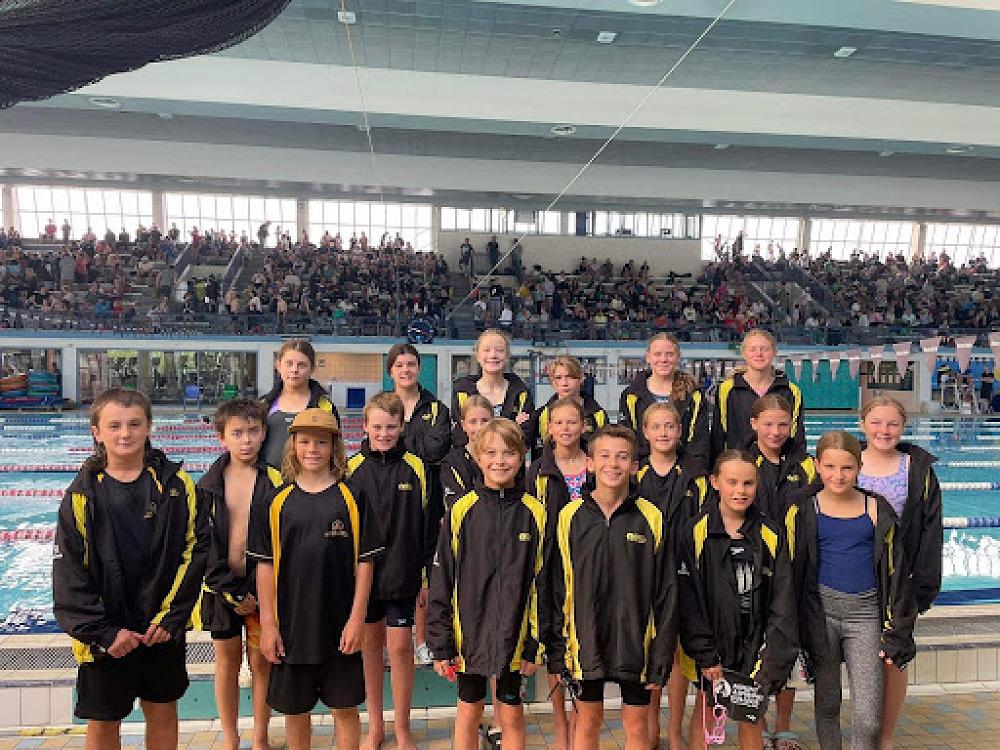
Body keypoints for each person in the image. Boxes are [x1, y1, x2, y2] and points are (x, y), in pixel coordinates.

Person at [52, 389, 208, 750]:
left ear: (149, 427)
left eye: (135, 424)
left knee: (163, 713)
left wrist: (170, 619)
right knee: (104, 722)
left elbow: (196, 550)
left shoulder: (176, 485)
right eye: (115, 425)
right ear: (96, 432)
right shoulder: (81, 496)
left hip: (161, 628)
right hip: (105, 634)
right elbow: (69, 575)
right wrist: (103, 633)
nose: (125, 433)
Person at [248, 409, 380, 750]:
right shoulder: (276, 502)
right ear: (292, 445)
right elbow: (264, 566)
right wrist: (268, 624)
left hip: (340, 627)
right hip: (292, 628)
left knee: (345, 709)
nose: (312, 449)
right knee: (296, 712)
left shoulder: (352, 497)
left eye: (321, 442)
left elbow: (366, 563)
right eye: (304, 441)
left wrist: (357, 620)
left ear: (334, 447)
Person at [548, 425, 675, 750]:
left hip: (636, 643)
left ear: (634, 465)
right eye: (604, 456)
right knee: (587, 721)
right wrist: (558, 649)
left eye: (622, 457)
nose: (613, 464)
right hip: (585, 641)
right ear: (589, 463)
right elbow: (557, 587)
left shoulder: (652, 517)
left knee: (637, 725)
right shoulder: (569, 517)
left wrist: (661, 652)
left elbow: (666, 591)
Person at [787, 432, 916, 750]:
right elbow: (789, 570)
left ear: (859, 467)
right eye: (830, 467)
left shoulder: (877, 509)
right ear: (817, 466)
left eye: (846, 467)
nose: (838, 475)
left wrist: (898, 627)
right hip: (821, 615)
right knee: (828, 704)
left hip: (865, 615)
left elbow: (897, 573)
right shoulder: (804, 509)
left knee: (869, 717)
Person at [427, 418, 546, 750]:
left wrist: (535, 643)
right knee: (469, 710)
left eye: (508, 453)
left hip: (515, 635)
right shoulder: (461, 511)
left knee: (511, 715)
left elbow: (543, 584)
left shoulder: (535, 513)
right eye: (491, 453)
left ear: (521, 457)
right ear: (478, 457)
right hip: (470, 635)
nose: (499, 461)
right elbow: (442, 579)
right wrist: (441, 643)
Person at [677, 450, 798, 750]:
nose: (740, 491)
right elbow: (688, 600)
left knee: (750, 715)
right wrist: (706, 654)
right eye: (732, 482)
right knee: (707, 709)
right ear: (715, 482)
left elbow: (782, 600)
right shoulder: (695, 531)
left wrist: (770, 655)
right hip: (712, 642)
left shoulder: (771, 532)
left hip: (755, 643)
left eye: (748, 483)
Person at [346, 393, 431, 750]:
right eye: (377, 427)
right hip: (364, 580)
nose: (383, 434)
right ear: (365, 426)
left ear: (402, 427)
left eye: (391, 427)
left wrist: (425, 577)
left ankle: (403, 728)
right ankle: (375, 727)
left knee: (399, 648)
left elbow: (427, 526)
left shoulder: (416, 467)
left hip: (403, 573)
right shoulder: (351, 468)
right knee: (370, 650)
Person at [198, 400, 283, 750]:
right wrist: (230, 591)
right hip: (220, 588)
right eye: (237, 433)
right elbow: (202, 544)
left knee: (262, 663)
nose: (246, 440)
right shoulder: (208, 485)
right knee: (227, 663)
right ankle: (230, 739)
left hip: (261, 586)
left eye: (252, 431)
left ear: (263, 434)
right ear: (222, 437)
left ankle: (260, 737)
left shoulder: (274, 480)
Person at [857, 398, 941, 750]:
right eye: (876, 422)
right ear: (862, 424)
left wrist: (923, 587)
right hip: (854, 576)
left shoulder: (917, 470)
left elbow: (931, 531)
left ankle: (886, 738)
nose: (884, 431)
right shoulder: (848, 461)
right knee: (861, 658)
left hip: (898, 580)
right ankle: (864, 731)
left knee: (895, 657)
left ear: (903, 427)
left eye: (892, 424)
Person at [742, 395, 815, 749]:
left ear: (792, 426)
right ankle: (757, 724)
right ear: (754, 424)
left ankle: (783, 726)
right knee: (753, 648)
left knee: (788, 646)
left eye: (783, 424)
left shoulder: (805, 465)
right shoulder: (743, 462)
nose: (775, 431)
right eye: (768, 424)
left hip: (794, 570)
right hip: (754, 568)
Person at [636, 402, 709, 750]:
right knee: (650, 651)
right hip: (645, 574)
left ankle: (676, 730)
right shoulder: (635, 474)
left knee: (679, 656)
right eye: (657, 426)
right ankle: (650, 727)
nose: (663, 433)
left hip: (684, 573)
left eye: (670, 426)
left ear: (680, 431)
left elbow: (705, 525)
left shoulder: (696, 476)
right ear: (645, 432)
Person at [525, 397, 589, 750]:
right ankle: (561, 725)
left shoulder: (595, 465)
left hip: (589, 567)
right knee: (557, 646)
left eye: (572, 422)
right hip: (551, 568)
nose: (566, 428)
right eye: (559, 422)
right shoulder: (538, 471)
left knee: (584, 645)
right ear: (549, 428)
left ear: (583, 426)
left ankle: (581, 722)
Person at [386, 343, 451, 666]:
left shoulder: (436, 409)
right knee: (394, 564)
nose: (406, 370)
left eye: (411, 364)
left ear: (419, 368)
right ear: (391, 371)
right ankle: (391, 639)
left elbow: (436, 451)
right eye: (399, 365)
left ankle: (423, 640)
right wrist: (416, 444)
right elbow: (380, 445)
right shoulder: (383, 405)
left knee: (428, 568)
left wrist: (401, 441)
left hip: (429, 499)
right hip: (393, 496)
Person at [619, 333, 709, 473]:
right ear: (648, 357)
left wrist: (685, 475)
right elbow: (627, 439)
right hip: (643, 473)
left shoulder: (694, 395)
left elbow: (699, 443)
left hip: (684, 473)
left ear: (678, 357)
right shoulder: (631, 396)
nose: (663, 359)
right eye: (658, 354)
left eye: (669, 354)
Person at [711, 329, 804, 463]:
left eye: (764, 349)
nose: (759, 354)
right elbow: (718, 435)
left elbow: (797, 438)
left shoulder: (791, 391)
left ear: (774, 352)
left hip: (778, 467)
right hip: (739, 465)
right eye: (752, 349)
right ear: (744, 353)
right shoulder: (727, 389)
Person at [260, 339, 340, 469]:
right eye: (289, 364)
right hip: (268, 479)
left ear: (312, 369)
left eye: (302, 365)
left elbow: (335, 450)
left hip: (309, 479)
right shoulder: (264, 405)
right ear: (278, 366)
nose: (294, 370)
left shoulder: (326, 407)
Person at [452, 329, 532, 445]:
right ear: (478, 355)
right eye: (486, 350)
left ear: (507, 355)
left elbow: (525, 438)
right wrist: (512, 427)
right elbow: (460, 437)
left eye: (499, 350)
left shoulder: (522, 394)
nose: (493, 355)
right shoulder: (462, 394)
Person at [528, 355, 608, 453]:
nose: (564, 383)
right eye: (558, 378)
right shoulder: (541, 416)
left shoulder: (598, 415)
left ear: (581, 378)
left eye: (570, 377)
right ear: (552, 382)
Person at [440, 395, 490, 509]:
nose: (479, 427)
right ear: (463, 425)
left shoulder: (500, 461)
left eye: (485, 421)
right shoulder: (452, 462)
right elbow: (456, 505)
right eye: (473, 422)